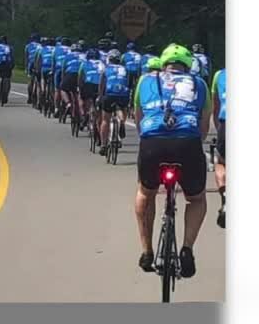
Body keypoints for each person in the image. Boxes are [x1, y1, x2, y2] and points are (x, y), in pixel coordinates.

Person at [133, 45, 213, 278]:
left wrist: (149, 142)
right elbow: (205, 127)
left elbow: (138, 119)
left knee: (145, 193)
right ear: (188, 65)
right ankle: (187, 249)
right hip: (187, 143)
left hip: (153, 143)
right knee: (196, 199)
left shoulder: (145, 80)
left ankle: (146, 251)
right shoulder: (199, 84)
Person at [97, 50, 132, 156]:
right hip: (123, 94)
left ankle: (103, 145)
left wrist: (100, 96)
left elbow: (101, 84)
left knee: (105, 120)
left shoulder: (106, 69)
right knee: (121, 108)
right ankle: (122, 122)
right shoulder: (125, 69)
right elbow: (129, 84)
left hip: (109, 95)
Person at [211, 67, 227, 229]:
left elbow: (215, 107)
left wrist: (217, 128)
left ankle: (224, 194)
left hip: (226, 120)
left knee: (221, 163)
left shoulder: (220, 74)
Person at [77, 47, 104, 134]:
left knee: (82, 98)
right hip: (99, 86)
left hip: (88, 85)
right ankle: (96, 119)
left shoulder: (84, 63)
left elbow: (80, 77)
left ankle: (85, 115)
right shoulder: (102, 64)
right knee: (99, 105)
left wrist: (79, 87)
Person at [60, 40, 85, 124]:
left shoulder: (68, 55)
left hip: (70, 74)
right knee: (79, 93)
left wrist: (63, 79)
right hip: (81, 76)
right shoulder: (84, 56)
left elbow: (63, 68)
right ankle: (82, 115)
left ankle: (68, 103)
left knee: (63, 89)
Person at [52, 37, 73, 118]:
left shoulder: (56, 49)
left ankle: (56, 108)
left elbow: (54, 61)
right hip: (68, 71)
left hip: (58, 70)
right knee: (70, 88)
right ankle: (71, 106)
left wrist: (53, 71)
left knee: (57, 89)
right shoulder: (71, 50)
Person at [0, 35, 16, 100]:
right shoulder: (10, 47)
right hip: (7, 65)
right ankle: (6, 94)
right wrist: (12, 66)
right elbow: (12, 58)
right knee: (8, 79)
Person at [24, 33, 42, 104]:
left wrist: (26, 67)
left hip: (31, 64)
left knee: (30, 81)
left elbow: (26, 58)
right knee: (38, 82)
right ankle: (38, 97)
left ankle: (29, 97)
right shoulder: (40, 46)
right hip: (38, 64)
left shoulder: (27, 46)